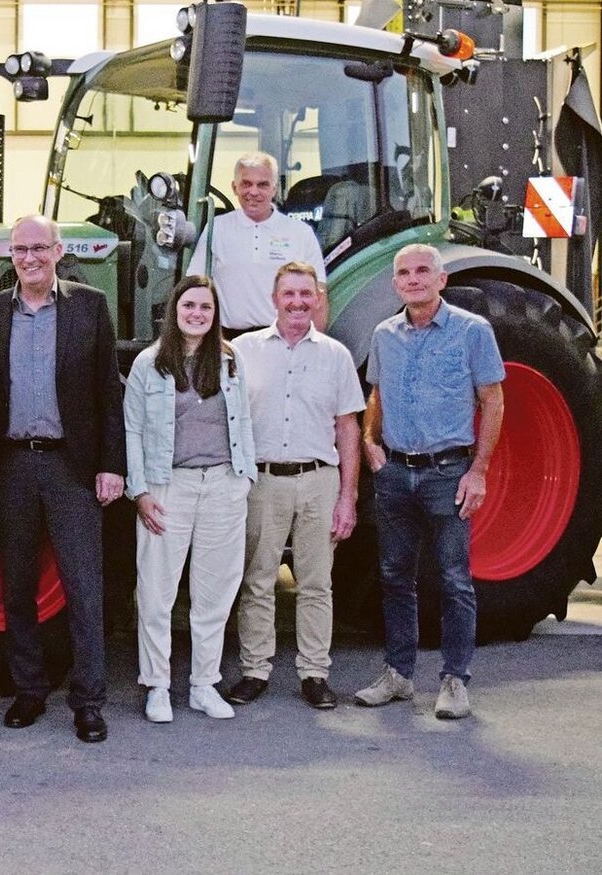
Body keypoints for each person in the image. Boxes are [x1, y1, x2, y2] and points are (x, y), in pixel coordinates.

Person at [0, 214, 125, 743]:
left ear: (58, 251)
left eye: (39, 248)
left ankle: (89, 700)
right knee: (16, 587)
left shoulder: (89, 306)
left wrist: (111, 465)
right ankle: (29, 690)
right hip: (11, 466)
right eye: (19, 250)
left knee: (84, 587)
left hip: (70, 465)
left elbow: (108, 392)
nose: (29, 258)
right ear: (9, 256)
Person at [356, 243, 505, 719]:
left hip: (448, 473)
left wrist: (478, 471)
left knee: (454, 579)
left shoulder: (472, 331)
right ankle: (398, 675)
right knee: (394, 576)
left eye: (424, 271)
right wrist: (369, 441)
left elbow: (493, 401)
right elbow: (376, 393)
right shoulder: (384, 334)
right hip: (395, 472)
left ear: (441, 279)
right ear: (395, 283)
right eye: (405, 273)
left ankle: (455, 681)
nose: (414, 279)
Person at [227, 262, 365, 710]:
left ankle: (314, 672)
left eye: (307, 294)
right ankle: (255, 669)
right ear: (275, 299)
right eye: (289, 294)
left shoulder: (336, 355)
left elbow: (348, 428)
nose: (298, 302)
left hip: (318, 481)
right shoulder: (243, 351)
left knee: (316, 583)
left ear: (317, 300)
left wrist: (348, 496)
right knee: (257, 580)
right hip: (262, 480)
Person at [125, 275, 256, 724]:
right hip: (168, 486)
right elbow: (133, 430)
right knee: (157, 592)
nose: (197, 314)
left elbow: (245, 424)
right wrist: (139, 491)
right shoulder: (150, 364)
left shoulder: (230, 361)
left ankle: (204, 684)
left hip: (223, 484)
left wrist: (245, 481)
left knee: (215, 593)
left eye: (205, 307)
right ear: (174, 311)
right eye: (189, 306)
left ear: (215, 313)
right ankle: (157, 685)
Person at [186, 152, 328, 336]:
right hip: (228, 340)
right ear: (234, 187)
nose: (253, 192)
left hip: (283, 340)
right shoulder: (217, 228)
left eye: (262, 185)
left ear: (275, 188)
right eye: (246, 184)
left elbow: (319, 296)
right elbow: (194, 286)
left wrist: (312, 346)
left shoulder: (300, 233)